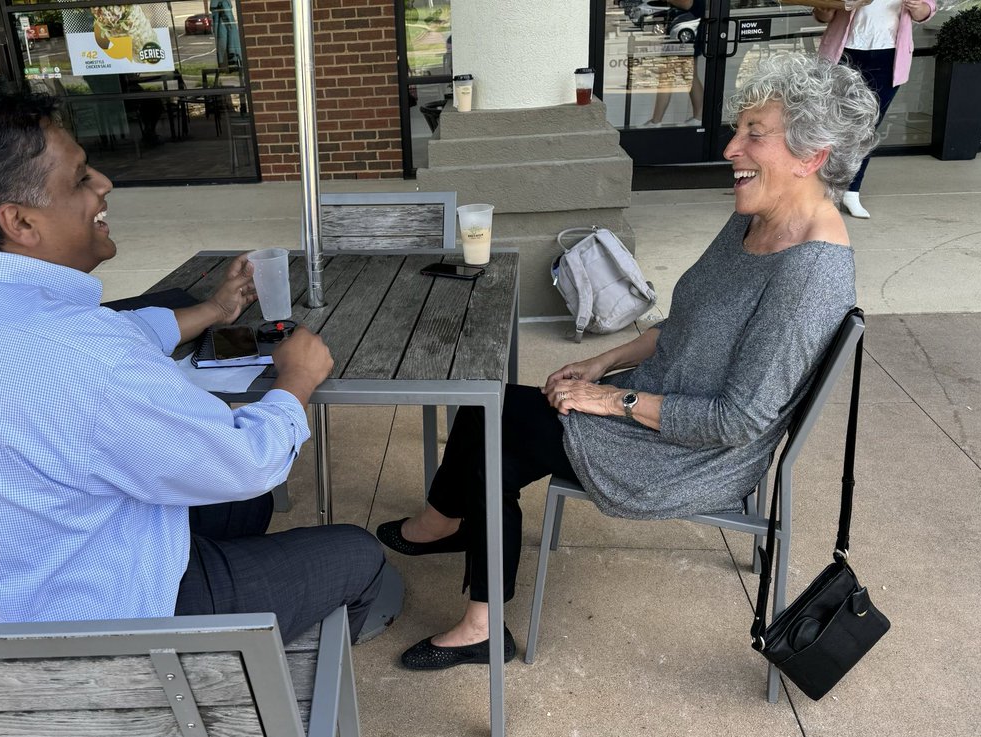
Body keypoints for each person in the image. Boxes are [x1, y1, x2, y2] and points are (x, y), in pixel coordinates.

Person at [376, 53, 878, 669]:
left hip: (689, 455)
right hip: (656, 406)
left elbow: (739, 423)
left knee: (493, 423)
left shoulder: (809, 276)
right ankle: (447, 534)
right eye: (737, 130)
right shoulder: (756, 219)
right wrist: (600, 364)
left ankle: (467, 586)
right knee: (494, 412)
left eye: (754, 134)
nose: (730, 149)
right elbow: (685, 323)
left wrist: (612, 399)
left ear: (812, 157)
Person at [0, 93, 385, 643]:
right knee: (356, 554)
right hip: (121, 624)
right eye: (81, 179)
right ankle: (247, 686)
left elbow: (115, 337)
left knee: (239, 501)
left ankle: (247, 608)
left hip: (12, 598)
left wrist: (215, 311)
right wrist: (297, 380)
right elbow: (246, 460)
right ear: (19, 221)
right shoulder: (82, 355)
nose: (104, 184)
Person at [815, 0, 936, 218]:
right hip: (843, 53)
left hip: (888, 55)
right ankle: (821, 187)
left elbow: (926, 9)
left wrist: (918, 8)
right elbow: (823, 13)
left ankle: (851, 190)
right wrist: (824, 11)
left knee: (867, 127)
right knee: (829, 123)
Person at [643, 0, 705, 127]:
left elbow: (687, 3)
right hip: (685, 30)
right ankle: (699, 117)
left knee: (666, 77)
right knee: (689, 75)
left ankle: (656, 121)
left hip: (684, 31)